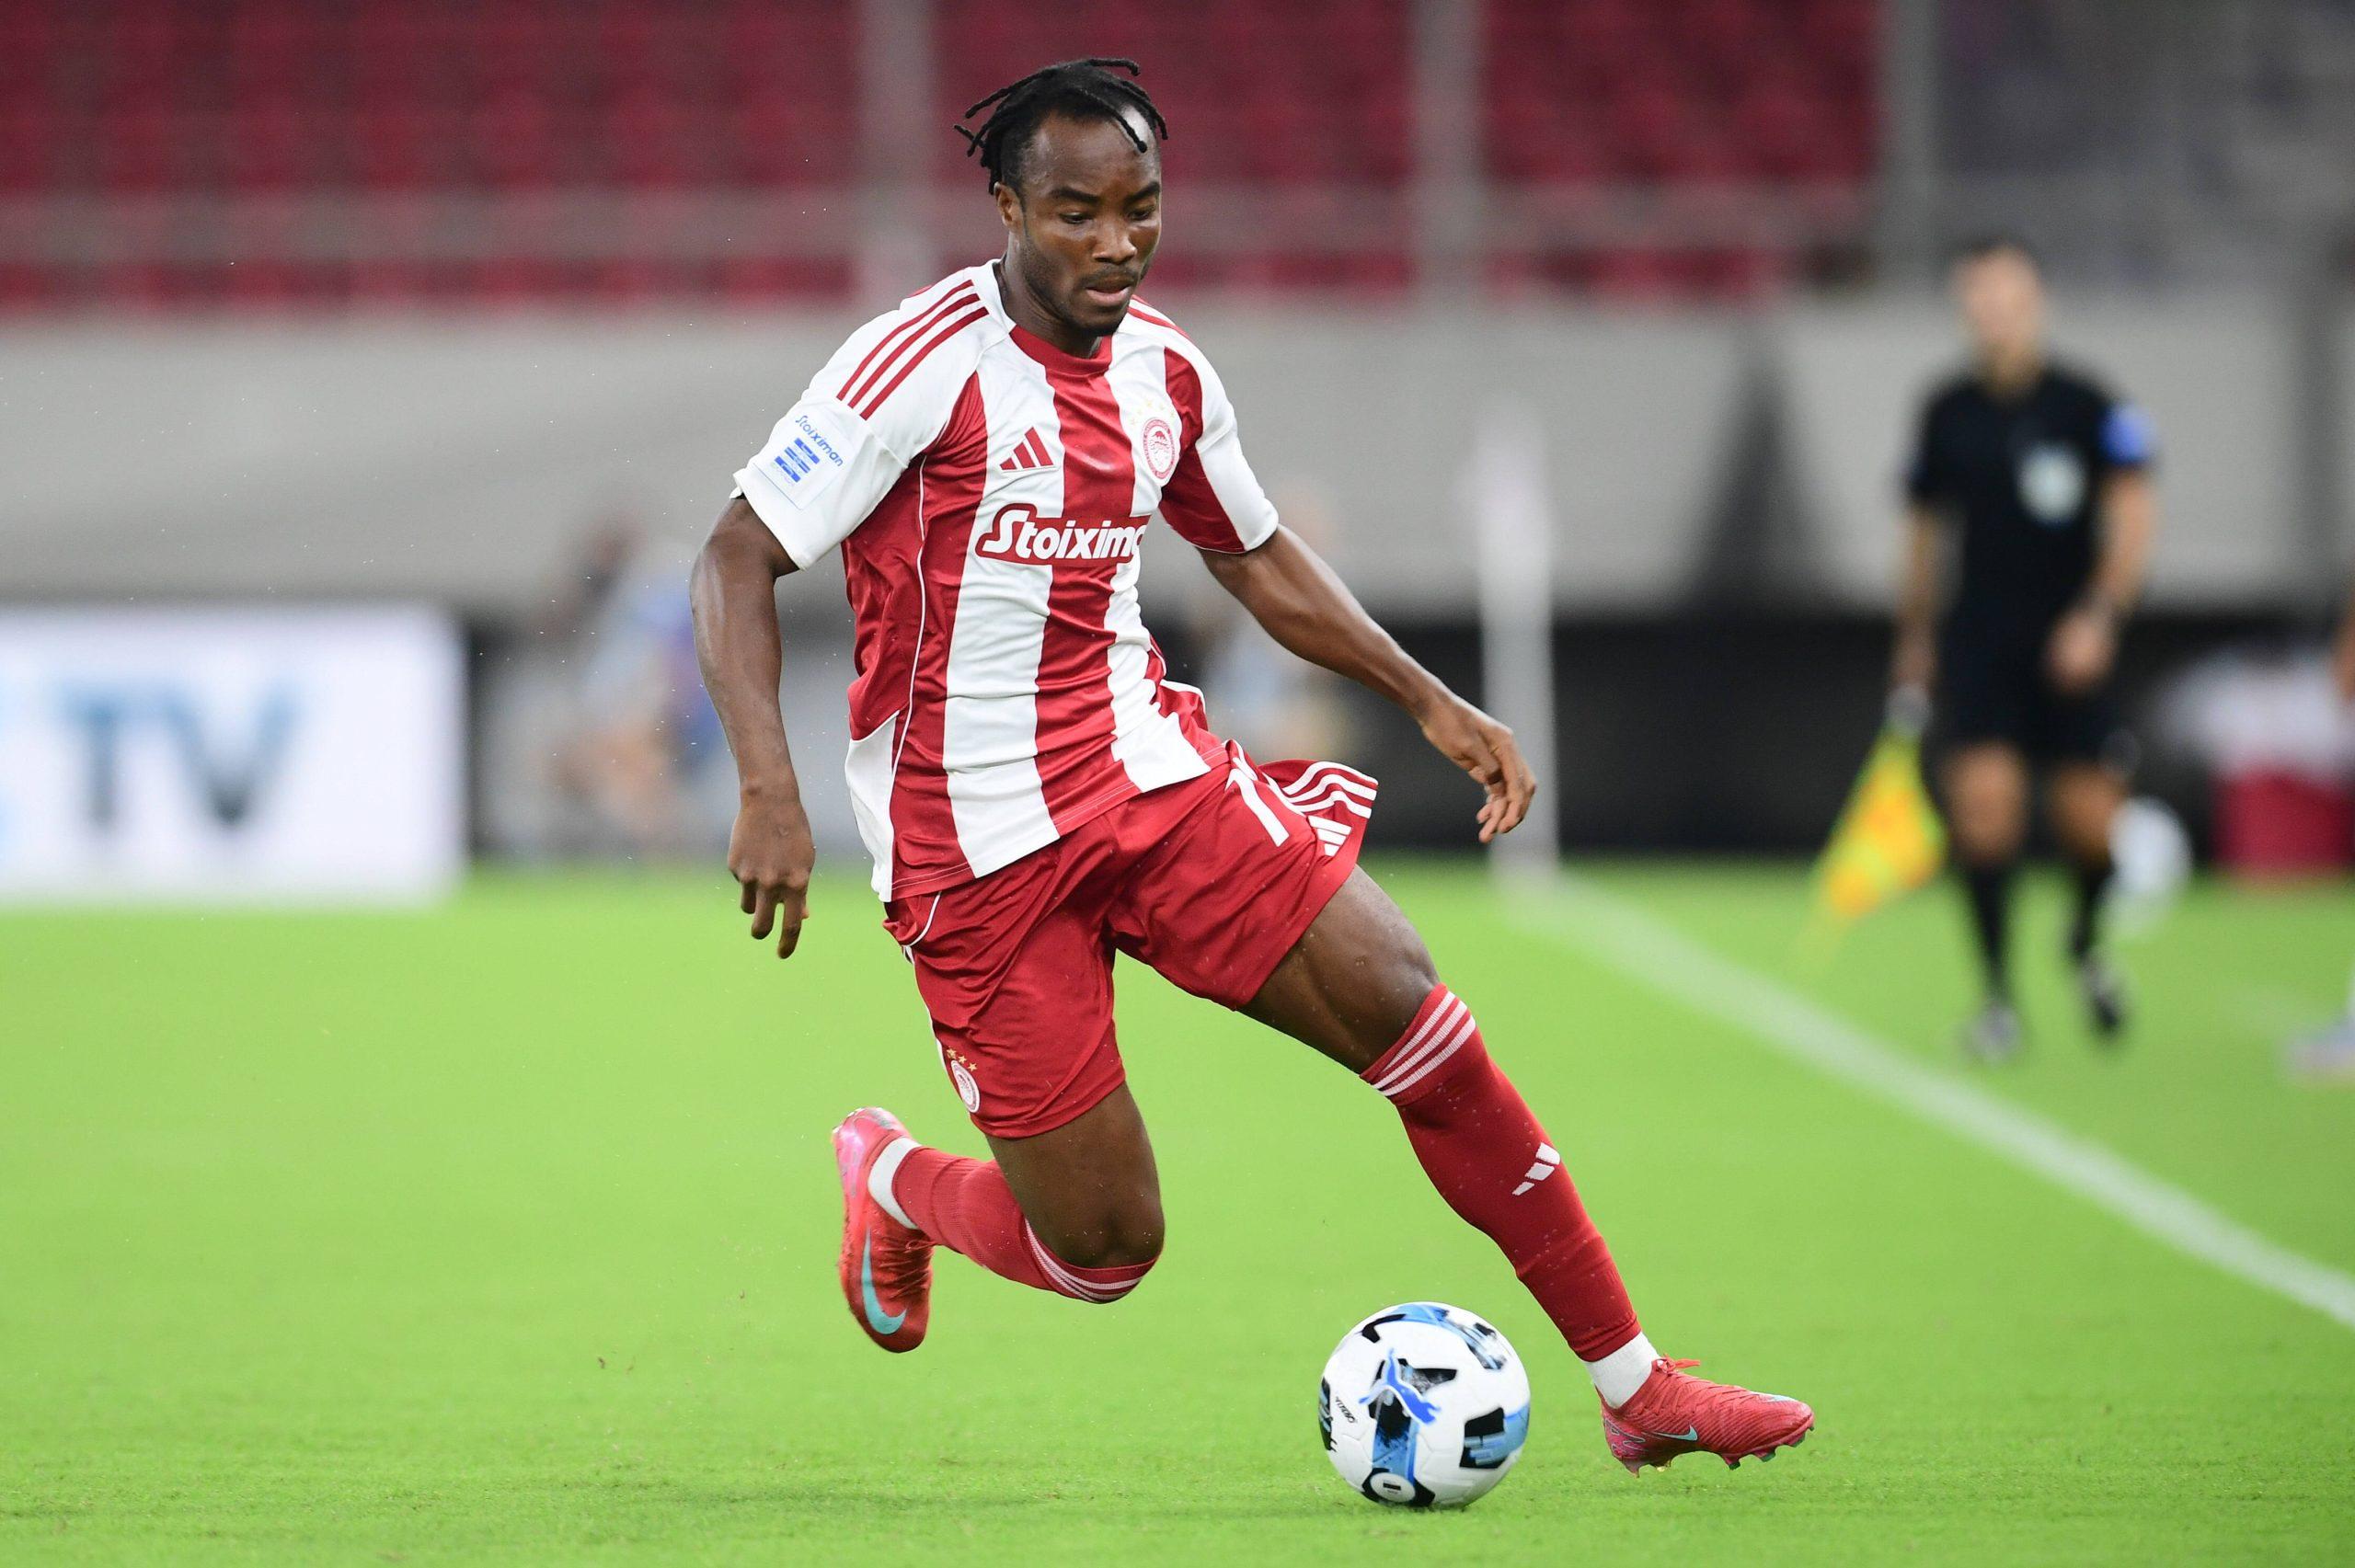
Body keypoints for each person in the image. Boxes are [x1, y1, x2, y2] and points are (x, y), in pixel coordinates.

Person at [689, 58, 1810, 1476]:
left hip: (1150, 778)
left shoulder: (1166, 369)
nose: (1116, 243)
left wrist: (1427, 698)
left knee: (1413, 1011)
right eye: (1078, 213)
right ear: (1009, 211)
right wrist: (769, 787)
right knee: (1104, 1248)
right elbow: (735, 555)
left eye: (1142, 208)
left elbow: (1255, 554)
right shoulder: (915, 364)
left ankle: (1638, 1385)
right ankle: (898, 1180)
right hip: (973, 846)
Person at [1890, 235, 2159, 1062]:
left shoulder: (2086, 404)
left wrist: (2099, 615)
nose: (1994, 311)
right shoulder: (1946, 411)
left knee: (2092, 825)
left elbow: (2133, 514)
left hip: (2069, 641)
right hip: (1981, 641)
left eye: (2007, 293)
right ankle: (1999, 998)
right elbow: (1924, 533)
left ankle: (2083, 938)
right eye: (1979, 295)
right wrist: (1916, 636)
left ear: (2035, 300)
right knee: (1986, 811)